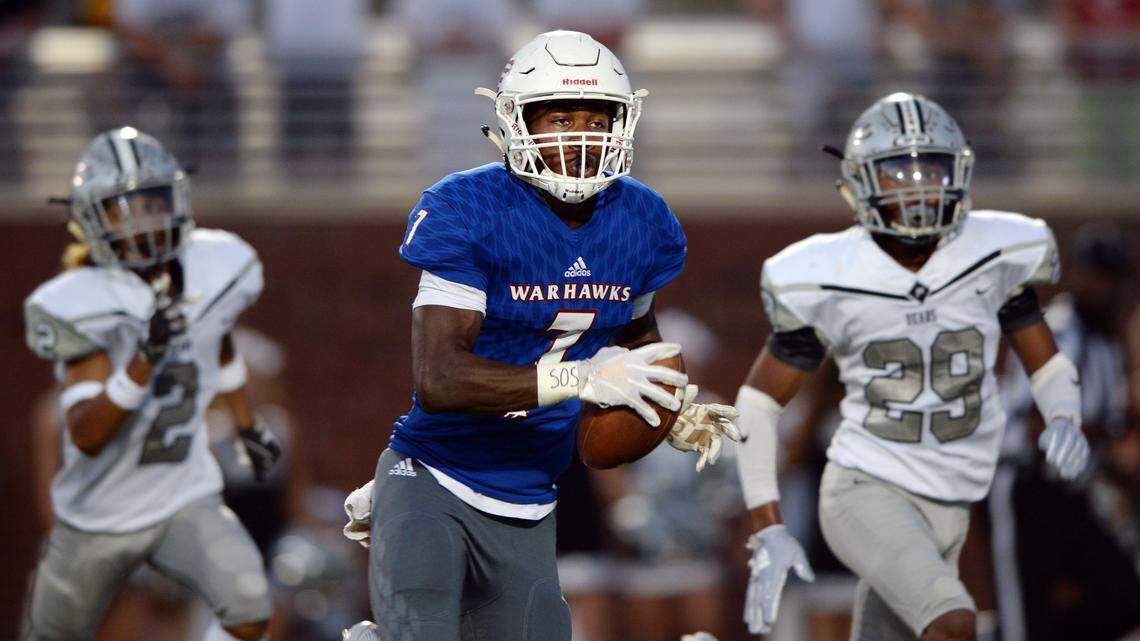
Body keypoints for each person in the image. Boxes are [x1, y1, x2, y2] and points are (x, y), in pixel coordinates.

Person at [343, 31, 740, 641]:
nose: (581, 137)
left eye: (596, 120)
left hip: (530, 492)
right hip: (433, 473)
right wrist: (579, 377)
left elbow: (638, 339)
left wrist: (667, 408)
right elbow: (441, 380)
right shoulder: (469, 206)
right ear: (516, 121)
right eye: (560, 119)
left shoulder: (641, 220)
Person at [732, 92, 1089, 641]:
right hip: (866, 489)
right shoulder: (826, 272)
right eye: (898, 171)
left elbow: (1045, 363)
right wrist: (767, 526)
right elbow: (757, 405)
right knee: (953, 621)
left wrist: (1064, 413)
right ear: (858, 181)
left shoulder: (994, 253)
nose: (919, 185)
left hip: (953, 496)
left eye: (932, 169)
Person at [20, 127, 280, 641]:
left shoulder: (212, 267)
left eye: (152, 203)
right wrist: (144, 358)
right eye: (125, 208)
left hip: (183, 498)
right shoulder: (81, 304)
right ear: (94, 219)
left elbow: (219, 337)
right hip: (101, 511)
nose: (143, 220)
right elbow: (87, 434)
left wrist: (247, 424)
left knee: (250, 607)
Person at [988, 225, 1140, 641]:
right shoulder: (1055, 329)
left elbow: (1111, 426)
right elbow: (1034, 419)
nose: (1104, 289)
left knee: (1126, 595)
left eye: (1112, 278)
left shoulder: (1107, 343)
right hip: (1026, 485)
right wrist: (1097, 435)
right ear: (1077, 274)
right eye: (1097, 276)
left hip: (1073, 492)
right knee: (1023, 613)